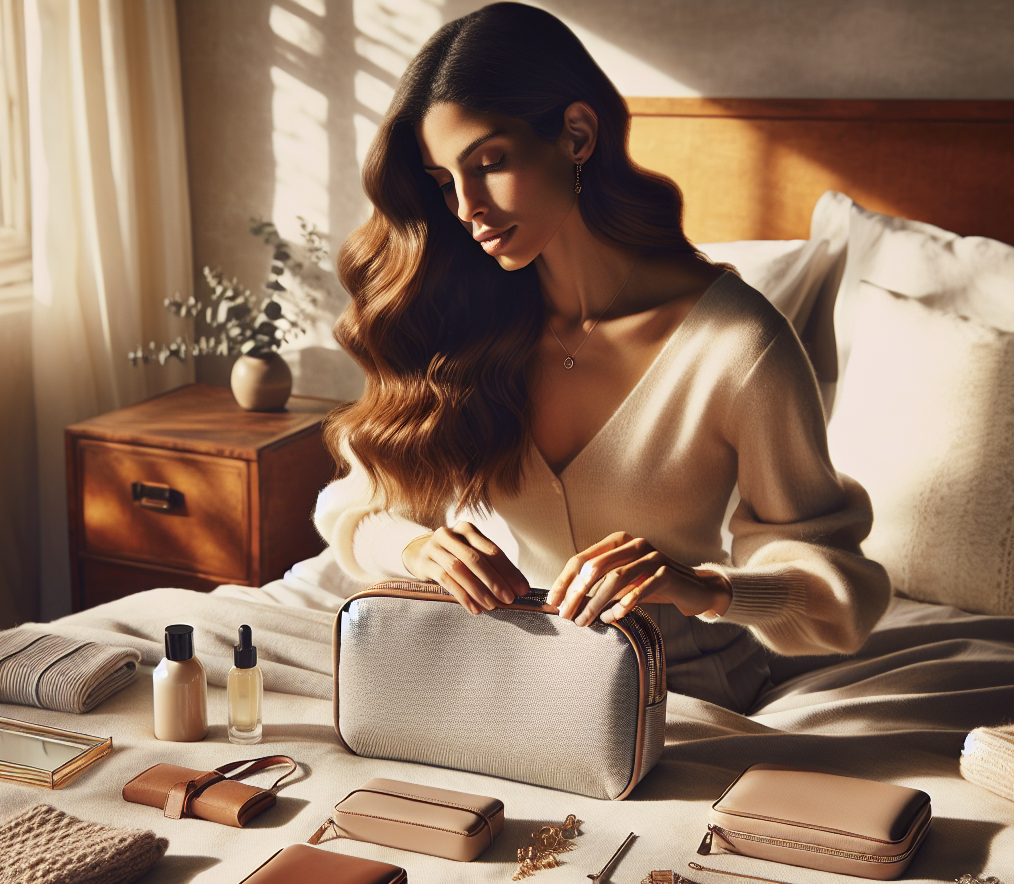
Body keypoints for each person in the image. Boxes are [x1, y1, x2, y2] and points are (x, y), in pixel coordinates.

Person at [315, 2, 890, 712]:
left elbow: (838, 593)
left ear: (577, 135)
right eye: (442, 181)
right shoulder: (460, 318)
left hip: (683, 696)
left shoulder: (737, 345)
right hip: (501, 677)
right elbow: (352, 509)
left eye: (489, 162)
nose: (467, 208)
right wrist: (415, 550)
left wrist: (704, 586)